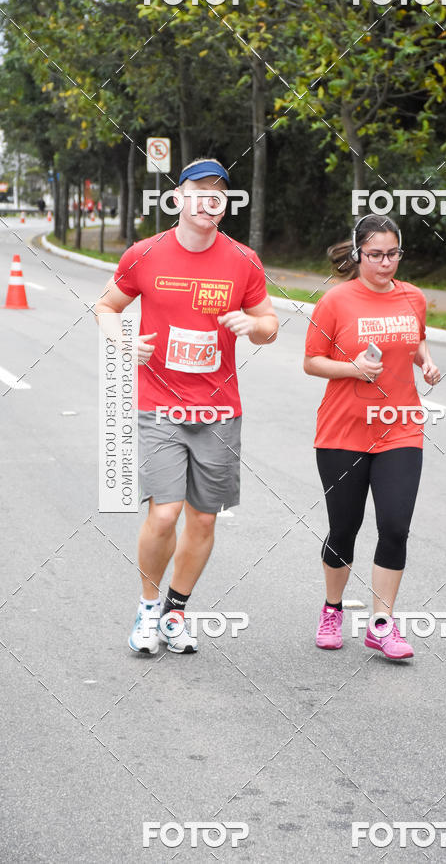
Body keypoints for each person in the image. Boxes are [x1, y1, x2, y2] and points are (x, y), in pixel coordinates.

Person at [94, 158, 278, 654]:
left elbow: (270, 326)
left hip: (219, 411)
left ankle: (176, 610)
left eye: (218, 193)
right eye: (198, 191)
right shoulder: (145, 254)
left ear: (224, 206)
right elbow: (106, 306)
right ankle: (148, 607)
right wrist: (122, 341)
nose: (208, 200)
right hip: (160, 407)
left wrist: (251, 326)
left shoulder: (243, 261)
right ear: (178, 199)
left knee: (202, 518)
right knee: (164, 512)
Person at [304, 214, 440, 660]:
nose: (386, 263)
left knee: (395, 528)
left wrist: (426, 362)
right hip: (343, 430)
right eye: (376, 255)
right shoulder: (336, 301)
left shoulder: (413, 298)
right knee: (344, 529)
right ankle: (332, 608)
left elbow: (413, 339)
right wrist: (354, 369)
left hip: (401, 426)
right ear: (359, 254)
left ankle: (382, 624)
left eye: (393, 254)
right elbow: (312, 361)